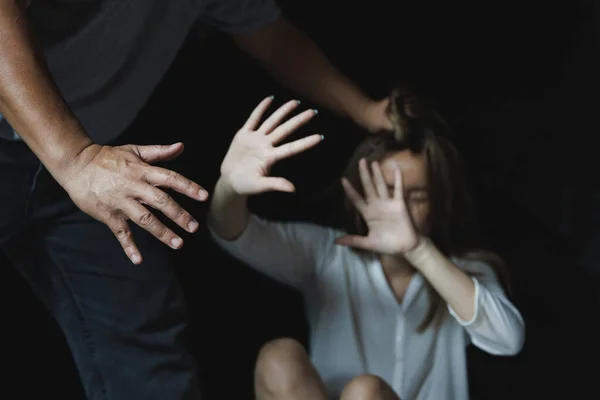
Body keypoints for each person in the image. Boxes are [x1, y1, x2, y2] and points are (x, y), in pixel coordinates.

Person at [0, 1, 391, 399]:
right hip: (57, 151)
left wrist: (366, 110)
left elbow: (271, 39)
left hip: (96, 163)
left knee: (144, 342)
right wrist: (75, 158)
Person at [208, 91, 526, 400]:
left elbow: (508, 339)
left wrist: (419, 251)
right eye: (387, 191)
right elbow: (233, 232)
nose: (398, 209)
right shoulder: (329, 254)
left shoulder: (465, 270)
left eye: (415, 197)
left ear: (438, 202)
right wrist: (229, 188)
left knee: (366, 393)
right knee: (278, 358)